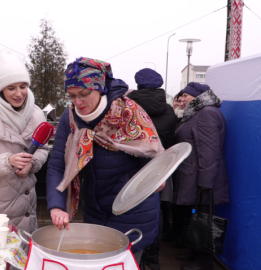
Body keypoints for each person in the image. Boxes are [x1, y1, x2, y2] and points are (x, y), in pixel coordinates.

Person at [46, 57, 164, 264]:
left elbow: (153, 155)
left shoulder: (129, 112)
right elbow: (57, 164)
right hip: (96, 208)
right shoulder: (70, 117)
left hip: (133, 209)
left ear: (100, 89)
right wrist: (56, 206)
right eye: (72, 96)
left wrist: (157, 178)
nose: (78, 102)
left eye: (84, 94)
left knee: (125, 263)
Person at [0, 49, 49, 233]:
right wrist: (8, 161)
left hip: (26, 205)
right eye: (11, 88)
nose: (19, 93)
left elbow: (43, 149)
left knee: (24, 255)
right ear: (0, 89)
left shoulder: (36, 113)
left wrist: (32, 164)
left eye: (23, 86)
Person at [173, 82, 230, 270]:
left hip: (202, 179)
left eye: (186, 96)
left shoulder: (206, 114)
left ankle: (203, 264)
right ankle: (193, 252)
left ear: (197, 97)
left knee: (204, 221)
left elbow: (209, 151)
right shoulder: (199, 112)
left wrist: (205, 182)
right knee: (195, 216)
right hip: (193, 176)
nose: (183, 100)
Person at [128, 68, 177, 270]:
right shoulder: (168, 110)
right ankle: (153, 256)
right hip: (159, 168)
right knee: (156, 210)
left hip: (131, 167)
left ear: (138, 84)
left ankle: (131, 253)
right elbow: (171, 140)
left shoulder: (128, 105)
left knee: (131, 210)